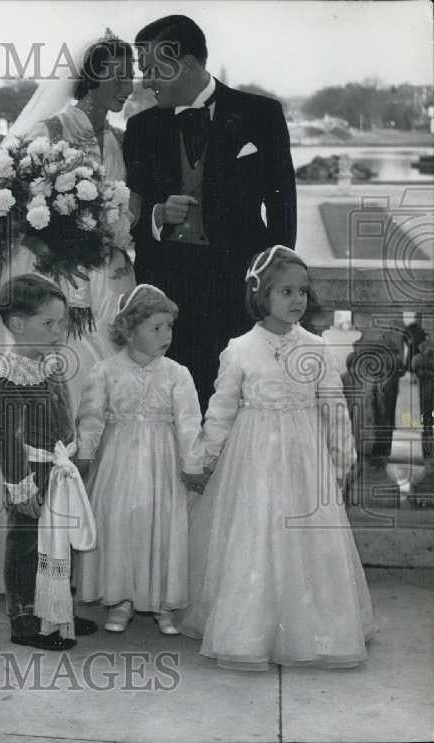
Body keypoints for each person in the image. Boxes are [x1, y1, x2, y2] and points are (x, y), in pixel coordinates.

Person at [182, 246, 375, 670]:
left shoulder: (317, 348)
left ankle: (316, 626)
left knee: (309, 538)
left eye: (302, 291)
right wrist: (203, 457)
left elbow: (334, 406)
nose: (297, 300)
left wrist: (341, 459)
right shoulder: (240, 349)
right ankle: (248, 629)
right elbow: (221, 410)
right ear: (260, 294)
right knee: (254, 539)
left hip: (305, 459)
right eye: (286, 291)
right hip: (253, 462)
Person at [124, 14, 297, 410]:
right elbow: (131, 218)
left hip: (236, 290)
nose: (146, 81)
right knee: (175, 408)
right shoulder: (140, 128)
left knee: (239, 404)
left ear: (183, 65)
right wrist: (156, 215)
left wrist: (276, 283)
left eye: (152, 70)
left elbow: (283, 206)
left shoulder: (261, 115)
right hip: (168, 293)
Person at [8, 30, 138, 409]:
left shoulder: (119, 139)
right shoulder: (50, 131)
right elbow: (20, 215)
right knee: (69, 367)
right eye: (118, 77)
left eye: (130, 77)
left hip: (112, 280)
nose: (126, 87)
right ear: (92, 77)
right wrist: (64, 255)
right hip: (62, 278)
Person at [75, 284, 203, 636]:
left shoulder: (178, 373)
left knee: (162, 526)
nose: (166, 335)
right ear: (130, 331)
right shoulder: (105, 370)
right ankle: (121, 599)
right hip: (118, 462)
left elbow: (190, 422)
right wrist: (84, 454)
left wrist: (192, 464)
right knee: (120, 525)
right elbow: (91, 417)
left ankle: (162, 602)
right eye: (156, 328)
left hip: (163, 463)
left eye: (169, 327)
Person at [0, 275, 97, 651]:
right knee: (27, 545)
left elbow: (62, 411)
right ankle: (25, 618)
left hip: (58, 470)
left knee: (58, 542)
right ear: (18, 325)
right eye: (48, 323)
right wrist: (20, 486)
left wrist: (72, 448)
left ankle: (57, 608)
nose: (58, 331)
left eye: (60, 322)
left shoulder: (48, 364)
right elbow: (6, 437)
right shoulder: (8, 377)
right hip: (32, 476)